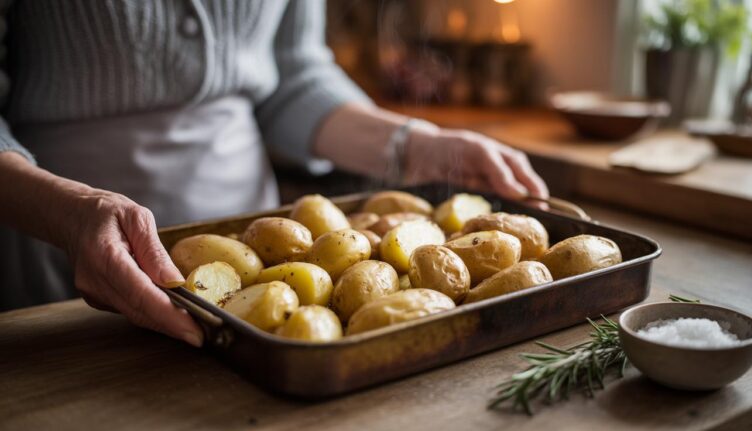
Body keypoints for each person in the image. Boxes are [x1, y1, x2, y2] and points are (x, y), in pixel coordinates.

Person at [0, 1, 548, 347]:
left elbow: (292, 78)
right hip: (63, 251)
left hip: (264, 250)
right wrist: (68, 215)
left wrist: (413, 145)